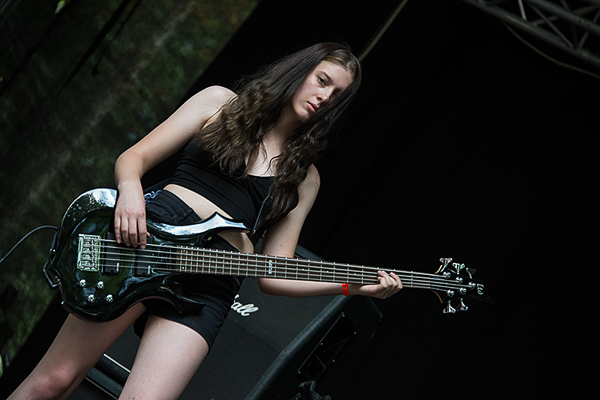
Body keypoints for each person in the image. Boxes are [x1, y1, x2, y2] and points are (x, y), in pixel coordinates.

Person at [8, 42, 402, 400]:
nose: (324, 97)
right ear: (300, 71)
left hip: (212, 282)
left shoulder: (305, 177)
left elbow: (274, 272)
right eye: (322, 81)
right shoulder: (219, 103)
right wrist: (129, 193)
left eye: (336, 96)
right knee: (53, 381)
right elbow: (134, 158)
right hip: (146, 243)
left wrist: (351, 286)